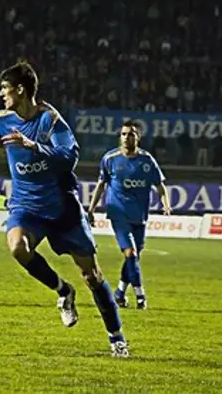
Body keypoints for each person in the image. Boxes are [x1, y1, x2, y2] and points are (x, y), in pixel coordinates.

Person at [0, 62, 129, 358]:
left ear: (20, 89)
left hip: (61, 207)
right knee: (17, 247)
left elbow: (70, 157)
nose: (1, 94)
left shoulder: (50, 120)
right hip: (26, 206)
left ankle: (116, 337)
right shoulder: (1, 120)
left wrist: (34, 146)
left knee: (92, 275)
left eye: (5, 88)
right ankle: (63, 291)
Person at [87, 121, 171, 310]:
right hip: (118, 213)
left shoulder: (147, 160)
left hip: (139, 215)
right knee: (130, 253)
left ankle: (119, 293)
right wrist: (91, 209)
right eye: (124, 134)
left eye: (131, 134)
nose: (127, 137)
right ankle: (141, 296)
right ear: (120, 136)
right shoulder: (110, 158)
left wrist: (166, 204)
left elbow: (160, 185)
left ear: (138, 137)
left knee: (133, 257)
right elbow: (101, 185)